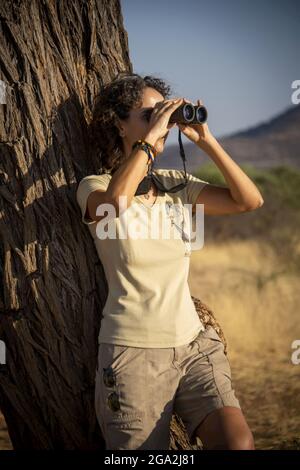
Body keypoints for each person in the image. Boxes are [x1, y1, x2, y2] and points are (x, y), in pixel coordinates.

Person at [76, 72, 263, 450]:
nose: (160, 121)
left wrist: (206, 141)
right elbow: (116, 204)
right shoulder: (94, 187)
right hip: (133, 353)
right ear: (119, 124)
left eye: (163, 113)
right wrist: (149, 143)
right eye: (148, 114)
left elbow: (248, 201)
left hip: (194, 345)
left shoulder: (176, 185)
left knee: (238, 444)